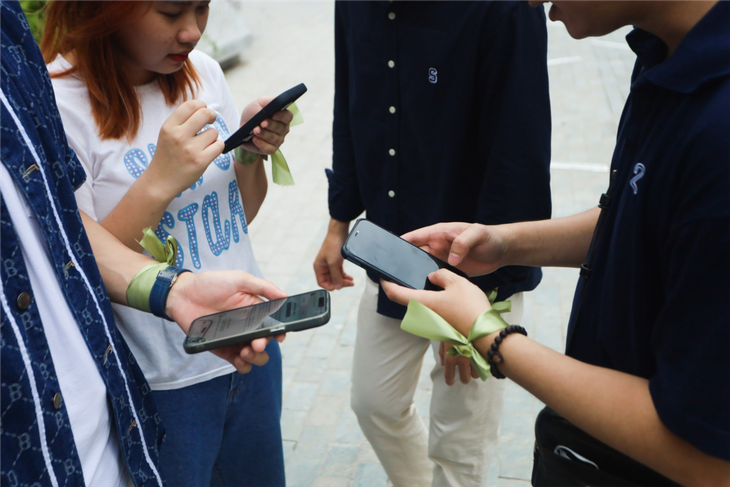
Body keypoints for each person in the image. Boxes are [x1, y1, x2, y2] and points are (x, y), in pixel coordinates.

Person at [380, 0, 730, 485]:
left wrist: (490, 335)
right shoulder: (665, 54)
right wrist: (506, 244)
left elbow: (709, 458)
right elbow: (639, 219)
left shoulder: (719, 129)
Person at [0, 0, 285, 485]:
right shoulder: (56, 105)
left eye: (202, 8)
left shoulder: (204, 75)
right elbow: (77, 267)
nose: (192, 32)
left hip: (250, 353)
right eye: (171, 13)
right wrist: (159, 181)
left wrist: (252, 154)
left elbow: (237, 216)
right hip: (161, 383)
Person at [313, 1, 552, 485]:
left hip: (483, 272)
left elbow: (518, 157)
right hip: (391, 249)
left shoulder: (505, 10)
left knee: (460, 442)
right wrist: (339, 222)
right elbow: (351, 104)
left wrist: (480, 302)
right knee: (373, 402)